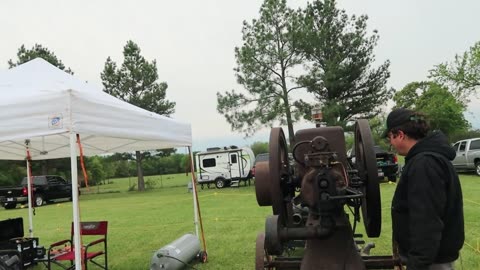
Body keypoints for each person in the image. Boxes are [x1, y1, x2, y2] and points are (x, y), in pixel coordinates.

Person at [384, 108, 464, 270]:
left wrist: (417, 264)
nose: (390, 143)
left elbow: (427, 220)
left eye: (390, 138)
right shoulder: (426, 159)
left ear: (399, 134)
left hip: (431, 262)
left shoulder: (424, 164)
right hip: (432, 258)